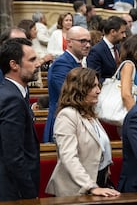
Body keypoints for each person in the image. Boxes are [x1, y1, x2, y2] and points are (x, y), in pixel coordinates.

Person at [45, 67, 121, 197]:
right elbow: (68, 157)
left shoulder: (89, 114)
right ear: (79, 89)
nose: (99, 91)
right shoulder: (67, 116)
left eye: (98, 85)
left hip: (98, 182)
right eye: (93, 87)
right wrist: (91, 186)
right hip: (76, 191)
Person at [0, 38, 41, 201]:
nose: (38, 64)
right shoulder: (12, 99)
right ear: (14, 64)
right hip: (13, 192)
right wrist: (30, 195)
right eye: (32, 60)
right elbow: (13, 155)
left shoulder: (11, 92)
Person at [44, 26, 92, 143]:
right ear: (69, 42)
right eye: (82, 41)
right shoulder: (61, 64)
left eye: (89, 41)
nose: (88, 45)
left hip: (76, 119)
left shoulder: (77, 62)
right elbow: (70, 95)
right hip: (64, 122)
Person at [87, 16, 127, 81]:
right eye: (122, 32)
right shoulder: (96, 51)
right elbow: (95, 78)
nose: (124, 36)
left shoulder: (119, 48)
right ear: (113, 32)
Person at [119, 34, 137, 111]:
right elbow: (126, 95)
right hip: (131, 113)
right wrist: (136, 116)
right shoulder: (128, 66)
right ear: (136, 50)